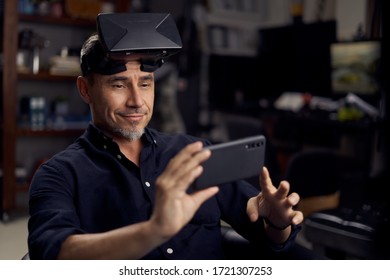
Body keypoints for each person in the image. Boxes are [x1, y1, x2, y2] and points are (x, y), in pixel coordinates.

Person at [27, 13, 304, 260]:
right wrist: (153, 231)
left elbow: (269, 236)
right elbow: (53, 254)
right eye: (119, 84)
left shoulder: (194, 153)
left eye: (145, 83)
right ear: (85, 90)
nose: (137, 101)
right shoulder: (59, 174)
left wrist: (278, 222)